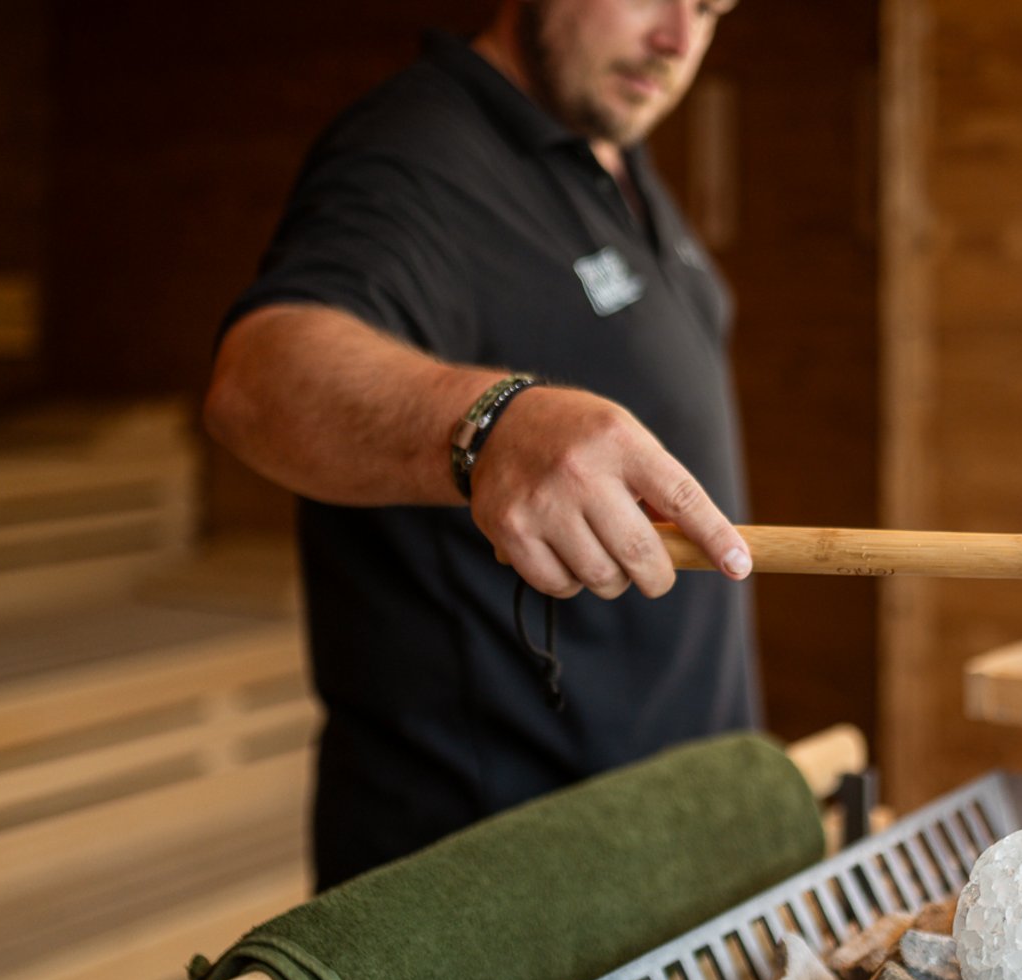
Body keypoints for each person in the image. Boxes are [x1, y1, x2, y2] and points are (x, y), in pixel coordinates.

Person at [204, 0, 756, 891]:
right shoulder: (418, 153)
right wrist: (492, 422)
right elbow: (261, 377)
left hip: (656, 845)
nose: (677, 40)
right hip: (494, 884)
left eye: (709, 7)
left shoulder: (608, 159)